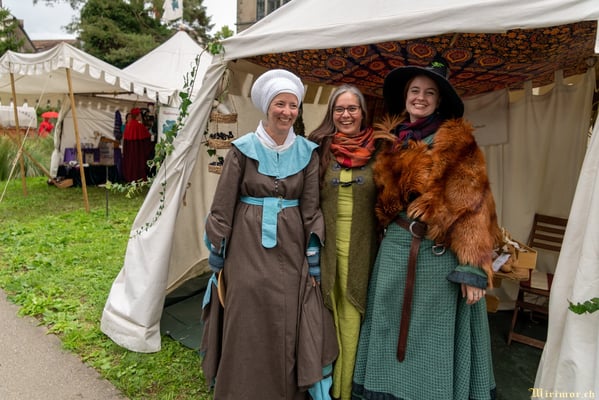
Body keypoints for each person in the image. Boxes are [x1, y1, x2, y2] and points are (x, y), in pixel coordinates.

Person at [352, 58, 500, 400]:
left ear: (439, 100)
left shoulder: (456, 142)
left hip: (435, 257)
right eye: (415, 91)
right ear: (406, 97)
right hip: (394, 251)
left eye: (429, 92)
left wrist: (473, 267)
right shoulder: (392, 140)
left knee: (430, 337)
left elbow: (474, 204)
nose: (420, 97)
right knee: (387, 327)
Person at [201, 69, 338, 400]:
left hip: (291, 250)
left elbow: (310, 209)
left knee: (285, 317)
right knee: (245, 314)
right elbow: (223, 204)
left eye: (293, 105)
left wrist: (313, 254)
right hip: (245, 249)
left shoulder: (307, 152)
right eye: (280, 104)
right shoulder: (242, 149)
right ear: (267, 107)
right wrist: (218, 252)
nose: (287, 112)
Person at [308, 84, 379, 400]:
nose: (346, 115)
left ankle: (346, 389)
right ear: (331, 113)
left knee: (352, 316)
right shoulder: (318, 149)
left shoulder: (380, 151)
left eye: (352, 108)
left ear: (363, 113)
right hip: (326, 250)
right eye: (339, 109)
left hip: (362, 250)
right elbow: (307, 201)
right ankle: (323, 386)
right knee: (326, 313)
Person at [121, 107, 151, 182]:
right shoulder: (139, 126)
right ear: (137, 115)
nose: (141, 116)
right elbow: (147, 138)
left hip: (129, 151)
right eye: (140, 114)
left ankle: (130, 178)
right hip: (138, 152)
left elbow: (125, 141)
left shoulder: (128, 125)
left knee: (130, 164)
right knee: (138, 164)